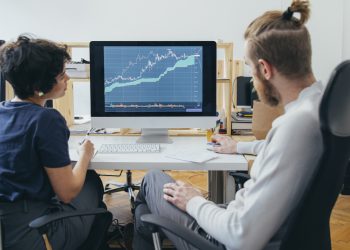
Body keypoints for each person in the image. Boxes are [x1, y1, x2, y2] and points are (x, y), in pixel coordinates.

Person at [133, 0, 325, 249]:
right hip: (268, 227)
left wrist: (193, 201)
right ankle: (147, 225)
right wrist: (242, 147)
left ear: (265, 69)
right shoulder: (318, 107)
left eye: (249, 68)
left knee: (151, 181)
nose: (252, 80)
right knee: (149, 210)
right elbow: (282, 148)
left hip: (226, 237)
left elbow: (239, 235)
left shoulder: (293, 126)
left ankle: (142, 227)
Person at [0, 35, 108, 250]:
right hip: (35, 235)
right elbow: (67, 194)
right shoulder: (46, 119)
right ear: (40, 85)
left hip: (7, 230)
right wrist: (85, 154)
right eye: (61, 74)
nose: (67, 78)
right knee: (92, 182)